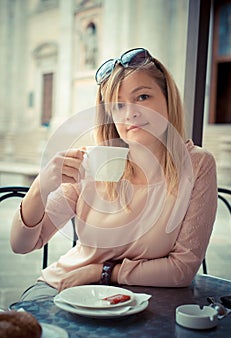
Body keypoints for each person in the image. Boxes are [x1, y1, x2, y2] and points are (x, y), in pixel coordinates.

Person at [10, 48, 217, 301]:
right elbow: (21, 245)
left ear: (167, 99)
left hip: (142, 301)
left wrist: (101, 272)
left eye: (142, 96)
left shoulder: (196, 165)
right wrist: (41, 185)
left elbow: (181, 270)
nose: (130, 113)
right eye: (118, 105)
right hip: (63, 287)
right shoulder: (93, 162)